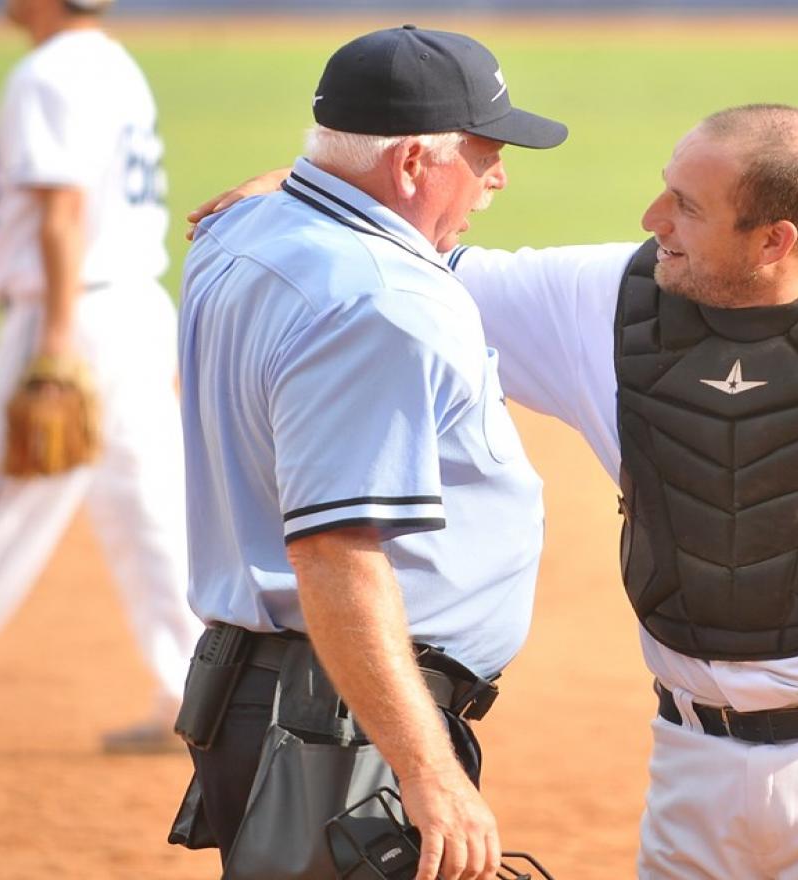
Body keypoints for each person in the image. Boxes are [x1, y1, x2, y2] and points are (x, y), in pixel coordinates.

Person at [193, 103, 798, 879]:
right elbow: (410, 255)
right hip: (688, 766)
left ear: (775, 236)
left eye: (686, 207)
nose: (654, 220)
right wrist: (311, 186)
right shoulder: (604, 302)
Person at [169, 26, 565, 880]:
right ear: (415, 162)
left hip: (275, 692)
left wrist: (299, 176)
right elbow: (335, 552)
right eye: (486, 150)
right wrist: (427, 769)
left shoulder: (239, 231)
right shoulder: (381, 303)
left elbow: (342, 209)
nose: (499, 175)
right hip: (346, 716)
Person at [0, 0, 199, 754]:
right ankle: (195, 700)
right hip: (132, 312)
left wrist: (57, 345)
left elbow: (62, 216)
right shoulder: (113, 63)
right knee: (151, 514)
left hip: (73, 319)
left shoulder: (48, 72)